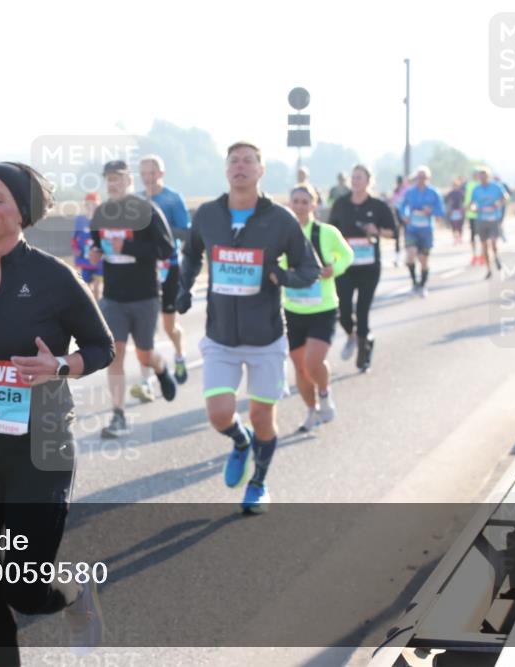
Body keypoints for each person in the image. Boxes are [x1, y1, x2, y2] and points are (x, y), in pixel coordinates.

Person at [0, 161, 115, 664]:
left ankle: (74, 593)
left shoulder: (54, 279)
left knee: (24, 584)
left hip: (42, 446)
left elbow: (103, 348)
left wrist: (58, 365)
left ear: (22, 212)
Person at [177, 141, 320, 513]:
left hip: (265, 336)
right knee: (219, 413)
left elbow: (309, 269)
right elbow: (191, 253)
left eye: (248, 161)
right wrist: (182, 286)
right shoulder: (208, 214)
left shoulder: (281, 219)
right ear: (226, 170)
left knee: (262, 417)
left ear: (261, 170)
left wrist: (281, 275)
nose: (240, 166)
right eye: (234, 161)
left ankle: (258, 482)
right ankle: (239, 442)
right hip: (221, 335)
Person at [90, 159, 177, 439]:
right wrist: (96, 253)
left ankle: (161, 368)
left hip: (145, 296)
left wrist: (127, 245)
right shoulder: (101, 214)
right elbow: (97, 243)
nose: (113, 183)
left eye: (118, 178)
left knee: (144, 354)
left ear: (130, 181)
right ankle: (118, 414)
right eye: (109, 179)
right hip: (114, 297)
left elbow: (165, 249)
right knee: (115, 353)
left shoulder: (146, 211)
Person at [282, 185, 352, 431]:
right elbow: (273, 262)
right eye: (296, 201)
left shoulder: (326, 232)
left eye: (305, 201)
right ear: (290, 204)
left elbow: (347, 255)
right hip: (293, 308)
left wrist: (335, 269)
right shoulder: (282, 233)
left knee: (313, 361)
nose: (300, 206)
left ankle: (324, 393)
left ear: (314, 205)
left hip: (322, 307)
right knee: (300, 367)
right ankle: (312, 411)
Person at [129, 154, 192, 403]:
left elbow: (185, 231)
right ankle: (145, 381)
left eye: (151, 173)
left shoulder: (172, 198)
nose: (147, 177)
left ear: (161, 174)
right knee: (146, 329)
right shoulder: (135, 201)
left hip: (169, 267)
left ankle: (179, 353)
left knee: (168, 326)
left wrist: (158, 231)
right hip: (144, 271)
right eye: (143, 173)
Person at [329, 165, 398, 372]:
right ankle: (351, 335)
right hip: (345, 266)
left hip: (369, 268)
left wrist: (376, 230)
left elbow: (392, 232)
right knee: (344, 311)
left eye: (360, 178)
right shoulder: (341, 204)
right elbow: (331, 232)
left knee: (362, 311)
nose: (356, 181)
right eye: (354, 178)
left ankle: (364, 354)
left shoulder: (378, 206)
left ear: (369, 181)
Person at [401, 166, 445, 298]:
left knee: (423, 260)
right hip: (412, 229)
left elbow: (440, 212)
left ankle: (423, 285)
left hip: (426, 231)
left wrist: (430, 211)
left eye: (424, 177)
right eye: (419, 177)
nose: (421, 180)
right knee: (411, 255)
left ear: (428, 178)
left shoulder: (434, 193)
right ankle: (414, 282)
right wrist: (405, 215)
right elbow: (402, 206)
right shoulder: (410, 192)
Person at [470, 167, 509, 278]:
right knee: (484, 245)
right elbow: (471, 204)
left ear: (489, 176)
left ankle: (496, 256)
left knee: (493, 242)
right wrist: (473, 208)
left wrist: (499, 203)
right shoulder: (476, 189)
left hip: (494, 219)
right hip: (481, 219)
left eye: (485, 175)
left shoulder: (496, 186)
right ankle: (488, 269)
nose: (482, 178)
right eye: (480, 176)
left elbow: (505, 197)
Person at [72, 192, 103, 300]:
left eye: (94, 204)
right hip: (85, 258)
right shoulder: (80, 219)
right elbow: (74, 237)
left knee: (98, 286)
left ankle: (98, 309)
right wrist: (76, 249)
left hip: (99, 259)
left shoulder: (103, 219)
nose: (91, 206)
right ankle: (91, 306)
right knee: (86, 286)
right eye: (88, 204)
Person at [464, 169, 481, 264]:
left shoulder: (482, 185)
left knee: (483, 236)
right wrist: (466, 208)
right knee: (472, 236)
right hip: (471, 214)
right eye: (476, 174)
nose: (477, 176)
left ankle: (483, 254)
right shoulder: (469, 185)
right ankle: (474, 255)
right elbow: (467, 198)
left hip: (481, 214)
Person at [445, 177, 467, 244]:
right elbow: (445, 200)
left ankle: (460, 238)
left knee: (460, 225)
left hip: (460, 211)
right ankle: (455, 238)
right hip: (452, 212)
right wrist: (449, 209)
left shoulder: (461, 193)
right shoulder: (450, 193)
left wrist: (463, 209)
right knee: (453, 226)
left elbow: (465, 201)